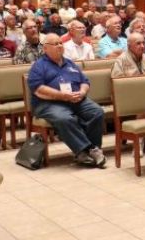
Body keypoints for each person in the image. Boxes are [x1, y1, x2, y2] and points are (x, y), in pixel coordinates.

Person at [28, 33, 106, 168]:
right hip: (48, 103)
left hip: (75, 99)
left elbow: (85, 81)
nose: (59, 46)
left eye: (60, 43)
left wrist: (82, 92)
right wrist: (62, 96)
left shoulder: (69, 63)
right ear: (45, 49)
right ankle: (84, 151)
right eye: (55, 44)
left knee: (96, 112)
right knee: (65, 118)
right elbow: (38, 89)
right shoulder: (39, 66)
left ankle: (93, 149)